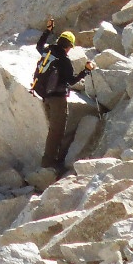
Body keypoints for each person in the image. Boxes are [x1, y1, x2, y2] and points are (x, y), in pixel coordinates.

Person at [32, 18, 92, 175]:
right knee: (56, 132)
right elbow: (71, 81)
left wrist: (48, 31)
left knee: (53, 130)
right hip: (57, 99)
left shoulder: (48, 52)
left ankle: (52, 160)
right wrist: (86, 71)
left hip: (43, 94)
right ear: (69, 47)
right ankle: (49, 165)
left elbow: (39, 45)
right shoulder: (64, 61)